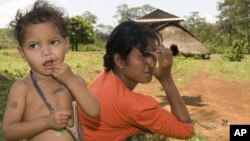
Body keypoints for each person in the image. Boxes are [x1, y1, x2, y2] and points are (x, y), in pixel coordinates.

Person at [79, 21, 194, 141]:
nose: (151, 62)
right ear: (119, 60)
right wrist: (166, 79)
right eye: (144, 55)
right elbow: (186, 130)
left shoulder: (105, 77)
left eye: (154, 53)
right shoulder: (134, 106)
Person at [2, 0, 99, 141]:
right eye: (34, 46)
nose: (46, 52)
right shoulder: (22, 88)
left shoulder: (74, 81)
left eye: (53, 42)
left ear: (66, 44)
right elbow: (9, 131)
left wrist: (70, 80)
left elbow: (94, 111)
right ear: (22, 52)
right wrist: (46, 122)